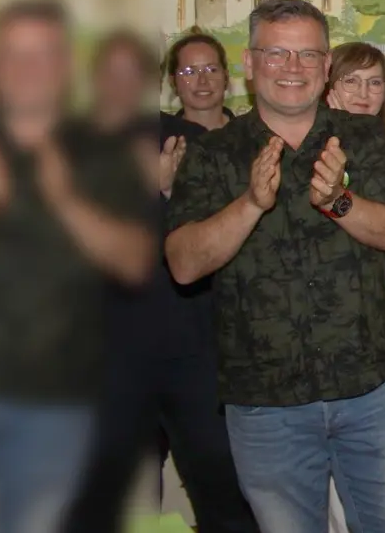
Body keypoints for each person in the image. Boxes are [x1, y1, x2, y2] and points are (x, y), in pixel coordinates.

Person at [165, 0, 385, 533]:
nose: (293, 67)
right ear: (250, 63)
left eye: (308, 54)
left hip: (369, 391)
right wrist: (250, 206)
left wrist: (340, 202)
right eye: (277, 53)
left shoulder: (363, 137)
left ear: (326, 66)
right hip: (265, 405)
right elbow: (185, 265)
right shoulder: (213, 154)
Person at [67, 31, 260, 533]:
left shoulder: (190, 141)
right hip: (110, 358)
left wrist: (169, 194)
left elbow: (215, 238)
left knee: (224, 495)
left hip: (196, 348)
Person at [0, 0, 156, 533]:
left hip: (53, 405)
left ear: (64, 67)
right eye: (15, 54)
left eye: (42, 54)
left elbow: (134, 263)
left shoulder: (99, 153)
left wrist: (64, 199)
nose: (28, 68)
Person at [323, 40, 385, 533]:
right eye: (351, 81)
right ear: (329, 89)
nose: (364, 93)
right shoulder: (319, 150)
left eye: (374, 82)